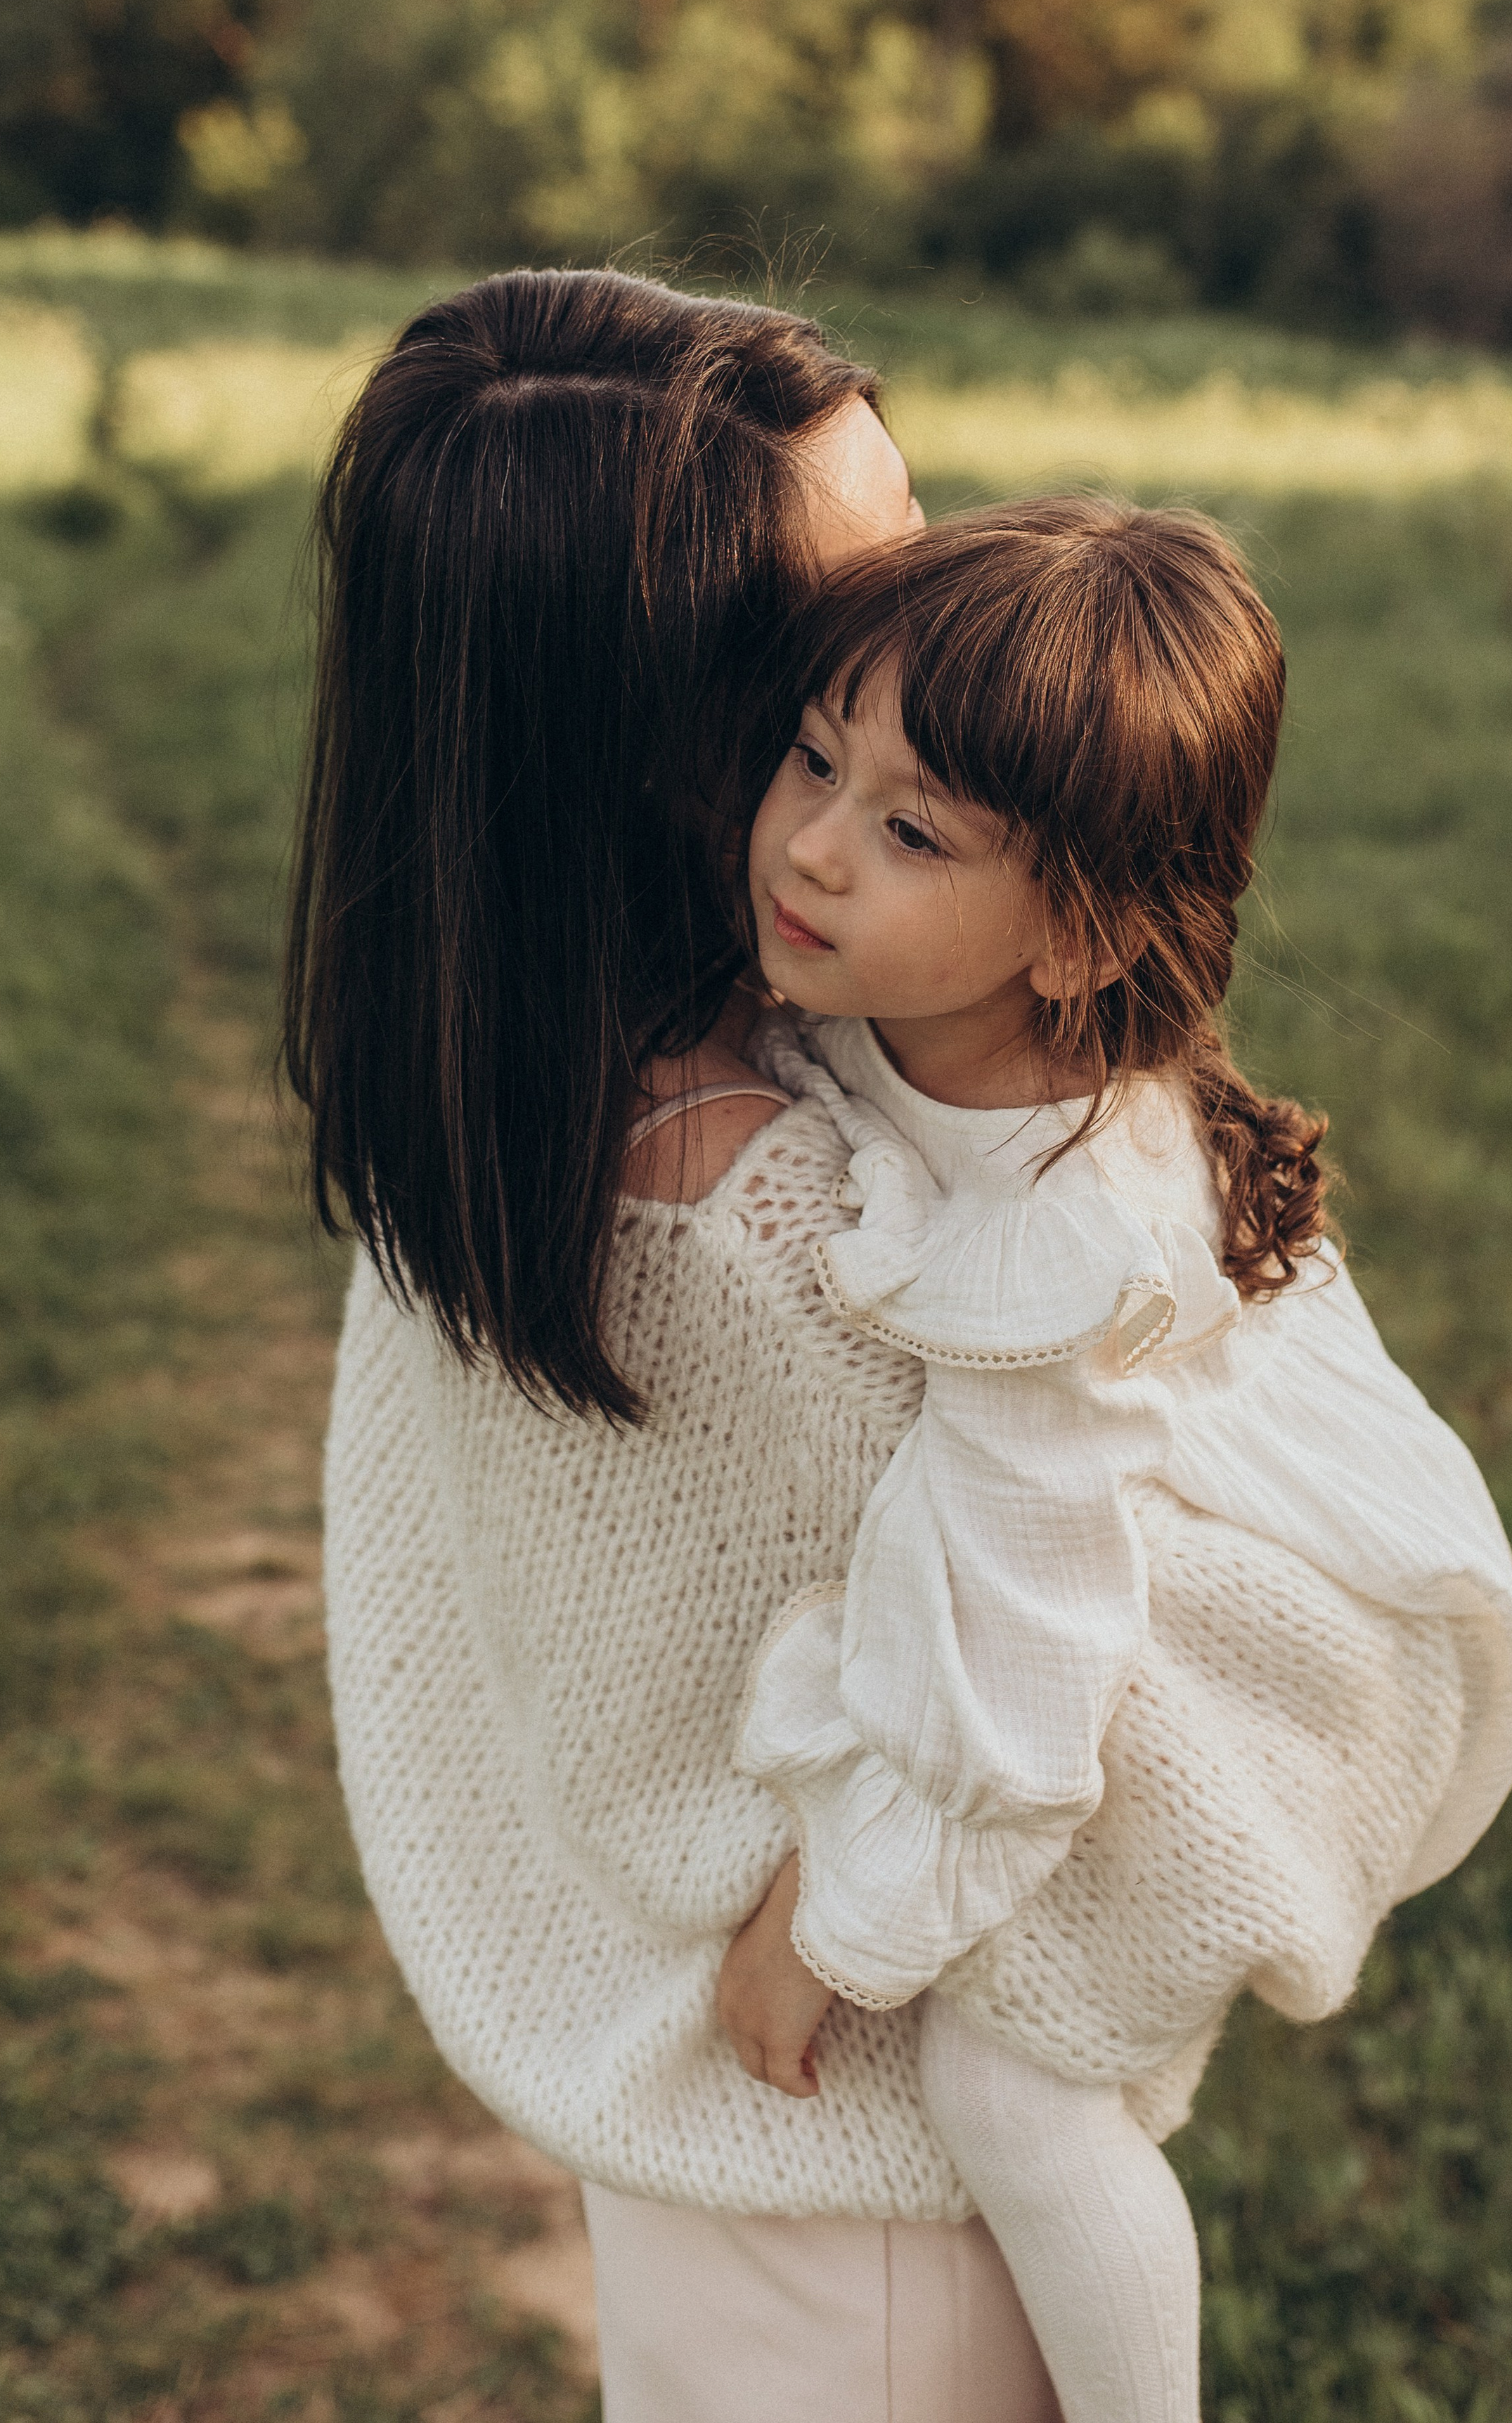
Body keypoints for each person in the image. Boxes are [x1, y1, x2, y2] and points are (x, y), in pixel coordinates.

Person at [289, 268, 1066, 2422]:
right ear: (680, 747)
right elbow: (1107, 1692)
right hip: (875, 2190)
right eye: (870, 616)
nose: (960, 632)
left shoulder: (508, 1094)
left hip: (738, 2165)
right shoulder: (767, 1237)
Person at [719, 497, 1512, 2423]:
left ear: (1085, 929)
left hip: (1295, 1625)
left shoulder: (1069, 1260)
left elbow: (1020, 1716)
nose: (816, 844)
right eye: (815, 757)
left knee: (1020, 2079)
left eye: (913, 829)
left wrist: (829, 1925)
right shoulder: (912, 995)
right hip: (1116, 1543)